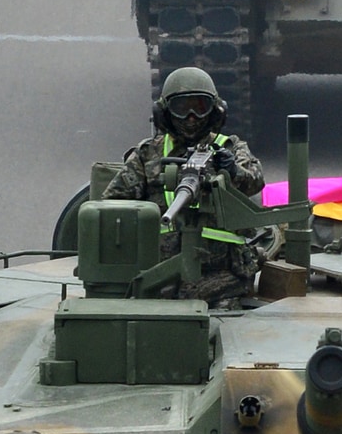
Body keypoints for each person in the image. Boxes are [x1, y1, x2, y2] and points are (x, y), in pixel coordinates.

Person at [103, 66, 265, 303]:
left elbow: (256, 180)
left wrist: (232, 171)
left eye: (200, 108)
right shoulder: (148, 154)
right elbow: (111, 206)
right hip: (160, 273)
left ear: (215, 111)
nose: (191, 117)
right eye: (182, 108)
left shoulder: (230, 148)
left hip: (222, 275)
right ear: (166, 113)